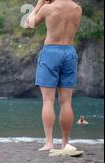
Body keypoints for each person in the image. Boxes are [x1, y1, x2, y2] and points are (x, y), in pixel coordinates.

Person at [25, 0, 82, 151]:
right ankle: (65, 142)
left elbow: (29, 24)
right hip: (69, 52)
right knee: (66, 102)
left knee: (48, 101)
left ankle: (49, 142)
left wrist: (39, 4)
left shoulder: (48, 8)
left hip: (51, 52)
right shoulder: (77, 9)